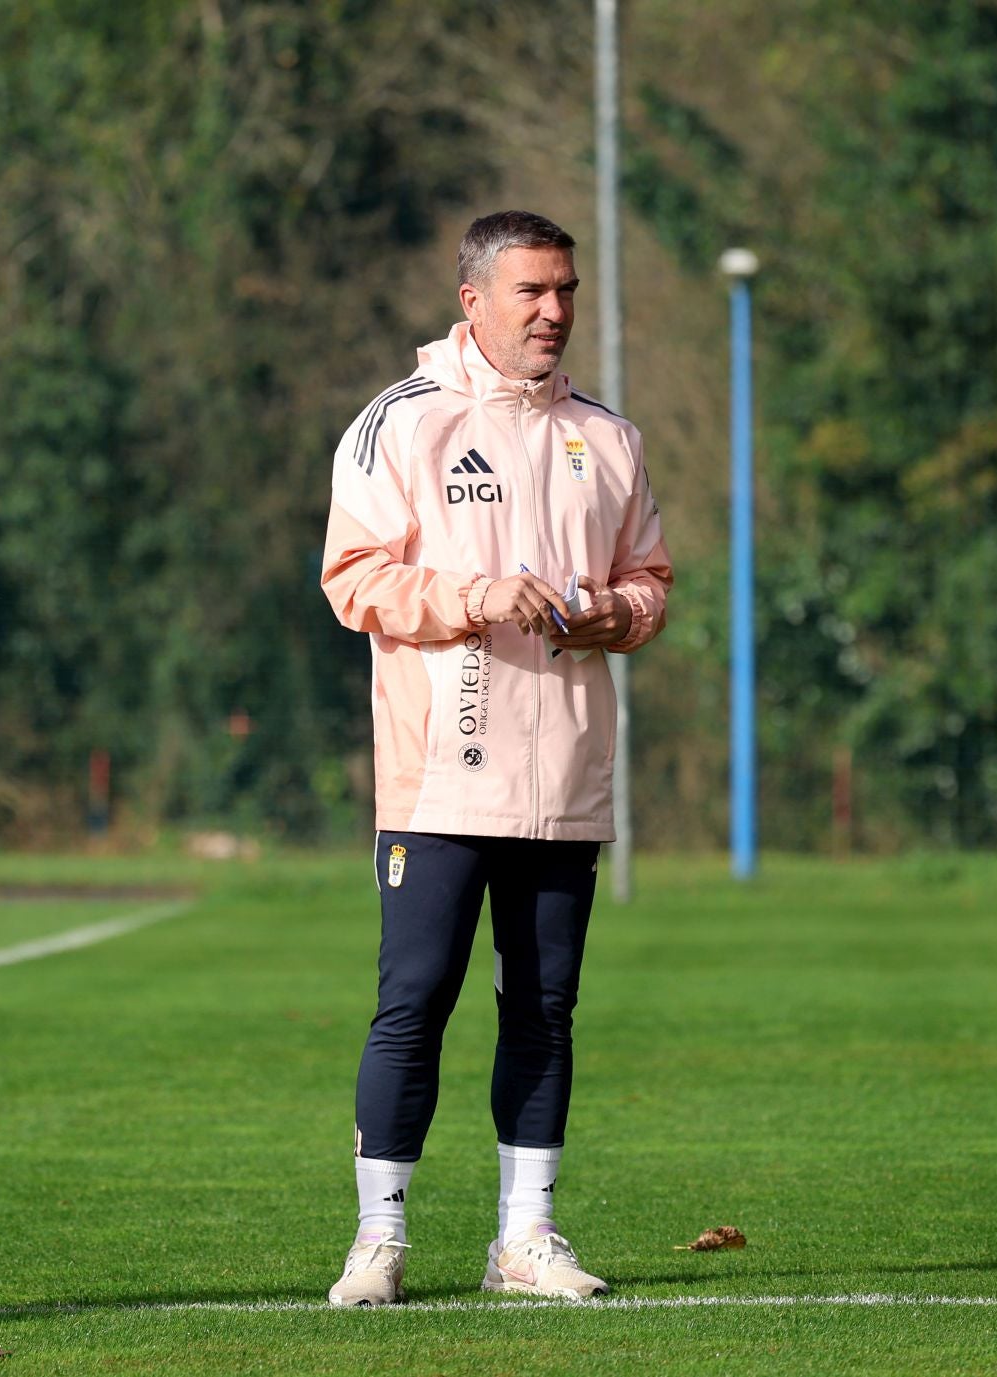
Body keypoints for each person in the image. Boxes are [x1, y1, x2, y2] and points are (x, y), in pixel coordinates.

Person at [319, 210, 673, 1305]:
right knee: (414, 1001)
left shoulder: (608, 437)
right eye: (531, 292)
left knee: (545, 1008)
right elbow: (352, 580)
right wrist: (474, 598)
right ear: (472, 300)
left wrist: (610, 612)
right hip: (440, 776)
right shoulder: (400, 423)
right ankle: (378, 1241)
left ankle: (527, 1239)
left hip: (563, 778)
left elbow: (652, 581)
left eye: (565, 291)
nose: (554, 312)